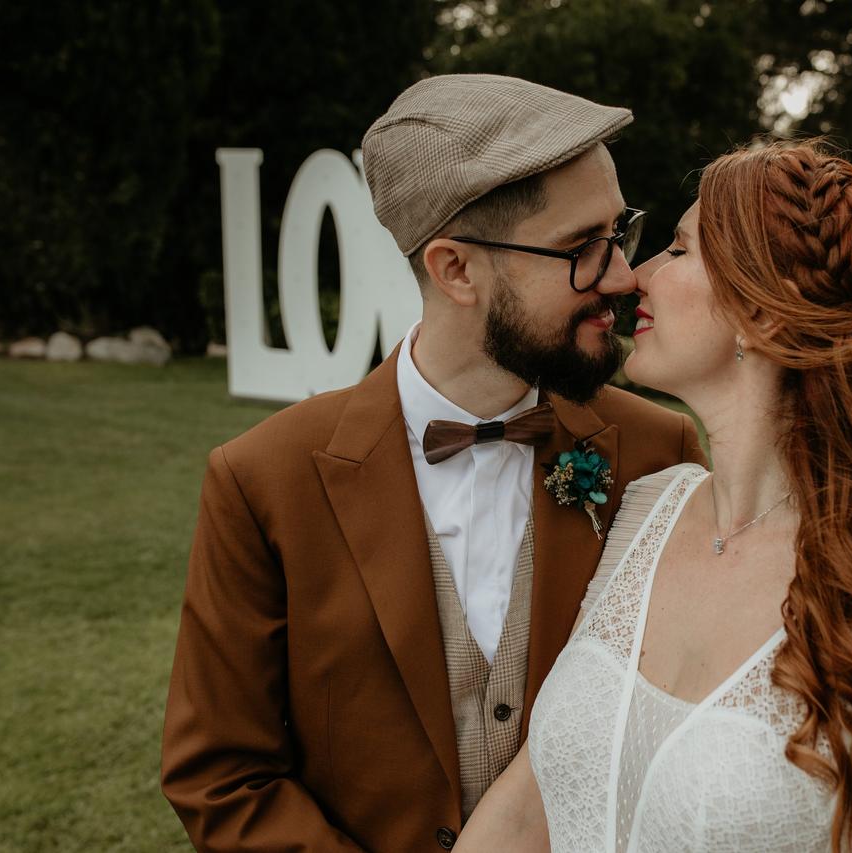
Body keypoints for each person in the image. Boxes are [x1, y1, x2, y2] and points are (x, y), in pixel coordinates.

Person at [457, 139, 852, 852]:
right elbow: (527, 809)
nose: (633, 277)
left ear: (763, 314)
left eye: (676, 250)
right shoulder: (648, 509)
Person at [160, 74, 704, 852]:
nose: (621, 275)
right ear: (455, 270)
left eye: (619, 233)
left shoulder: (659, 453)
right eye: (579, 247)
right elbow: (220, 772)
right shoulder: (262, 479)